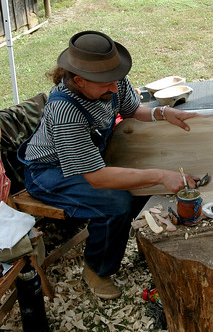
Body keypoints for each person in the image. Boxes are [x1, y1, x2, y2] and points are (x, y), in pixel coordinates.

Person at [18, 31, 199, 299]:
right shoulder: (65, 111)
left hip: (91, 160)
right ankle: (96, 270)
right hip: (48, 172)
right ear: (79, 80)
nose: (115, 88)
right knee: (115, 203)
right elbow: (97, 179)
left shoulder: (111, 80)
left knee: (140, 183)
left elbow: (131, 110)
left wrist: (163, 113)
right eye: (106, 84)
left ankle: (125, 235)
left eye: (116, 80)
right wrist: (160, 175)